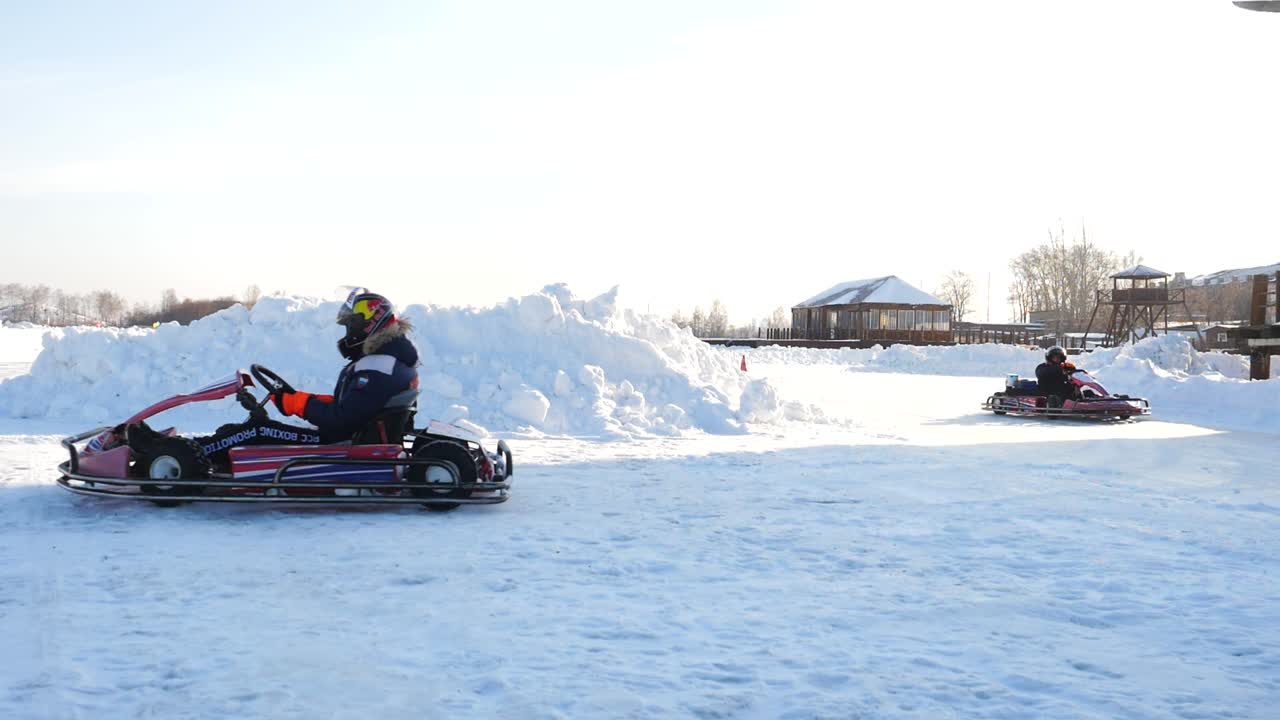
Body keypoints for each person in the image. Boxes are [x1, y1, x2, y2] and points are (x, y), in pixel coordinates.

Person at [124, 288, 419, 467]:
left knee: (257, 431)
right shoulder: (386, 362)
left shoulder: (380, 366)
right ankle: (176, 449)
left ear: (369, 325)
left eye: (351, 326)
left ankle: (176, 457)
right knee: (238, 430)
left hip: (344, 443)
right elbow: (352, 406)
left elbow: (344, 419)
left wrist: (297, 404)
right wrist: (296, 399)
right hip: (349, 436)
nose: (348, 333)